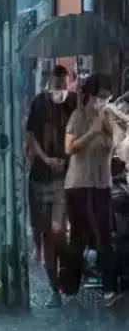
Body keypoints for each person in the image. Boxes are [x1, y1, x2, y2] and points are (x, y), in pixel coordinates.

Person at [65, 73, 122, 307]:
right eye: (100, 97)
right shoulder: (79, 116)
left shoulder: (107, 115)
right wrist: (93, 131)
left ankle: (108, 290)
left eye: (107, 97)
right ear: (90, 95)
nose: (104, 101)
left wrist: (112, 124)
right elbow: (69, 148)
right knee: (82, 238)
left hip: (102, 184)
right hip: (80, 185)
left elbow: (117, 143)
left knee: (104, 236)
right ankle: (71, 287)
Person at [25, 65, 78, 308]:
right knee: (46, 234)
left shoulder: (75, 103)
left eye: (64, 87)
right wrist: (47, 159)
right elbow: (31, 137)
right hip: (40, 177)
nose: (61, 91)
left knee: (58, 231)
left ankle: (70, 265)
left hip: (65, 178)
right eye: (57, 87)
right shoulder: (39, 103)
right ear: (50, 84)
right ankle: (53, 288)